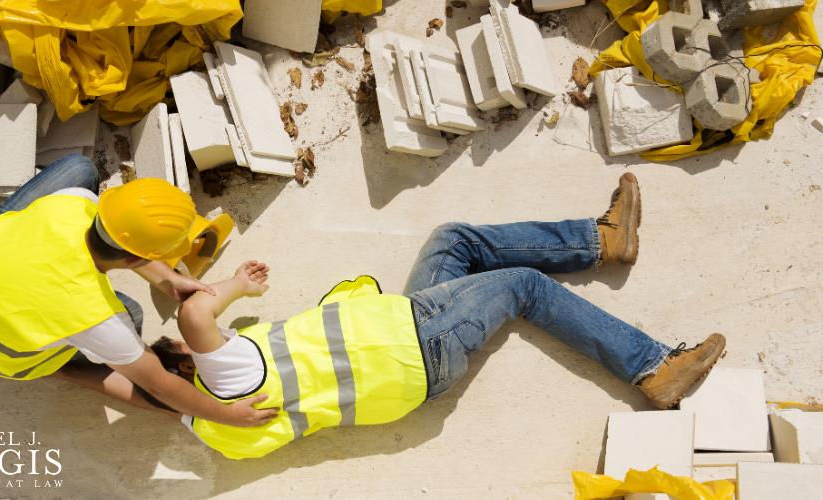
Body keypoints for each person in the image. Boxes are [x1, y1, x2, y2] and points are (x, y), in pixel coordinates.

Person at [155, 173, 726, 459]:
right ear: (187, 369)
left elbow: (142, 390)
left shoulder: (215, 432)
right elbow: (196, 317)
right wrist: (235, 285)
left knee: (452, 241)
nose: (215, 338)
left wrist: (122, 375)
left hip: (410, 347)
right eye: (189, 352)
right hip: (418, 340)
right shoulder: (226, 375)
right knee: (525, 286)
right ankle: (653, 368)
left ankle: (603, 240)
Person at [0, 154, 277, 428]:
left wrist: (168, 278)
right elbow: (160, 387)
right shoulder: (100, 320)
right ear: (137, 256)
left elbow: (121, 243)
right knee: (133, 317)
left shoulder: (73, 202)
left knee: (79, 168)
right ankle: (53, 366)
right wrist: (227, 415)